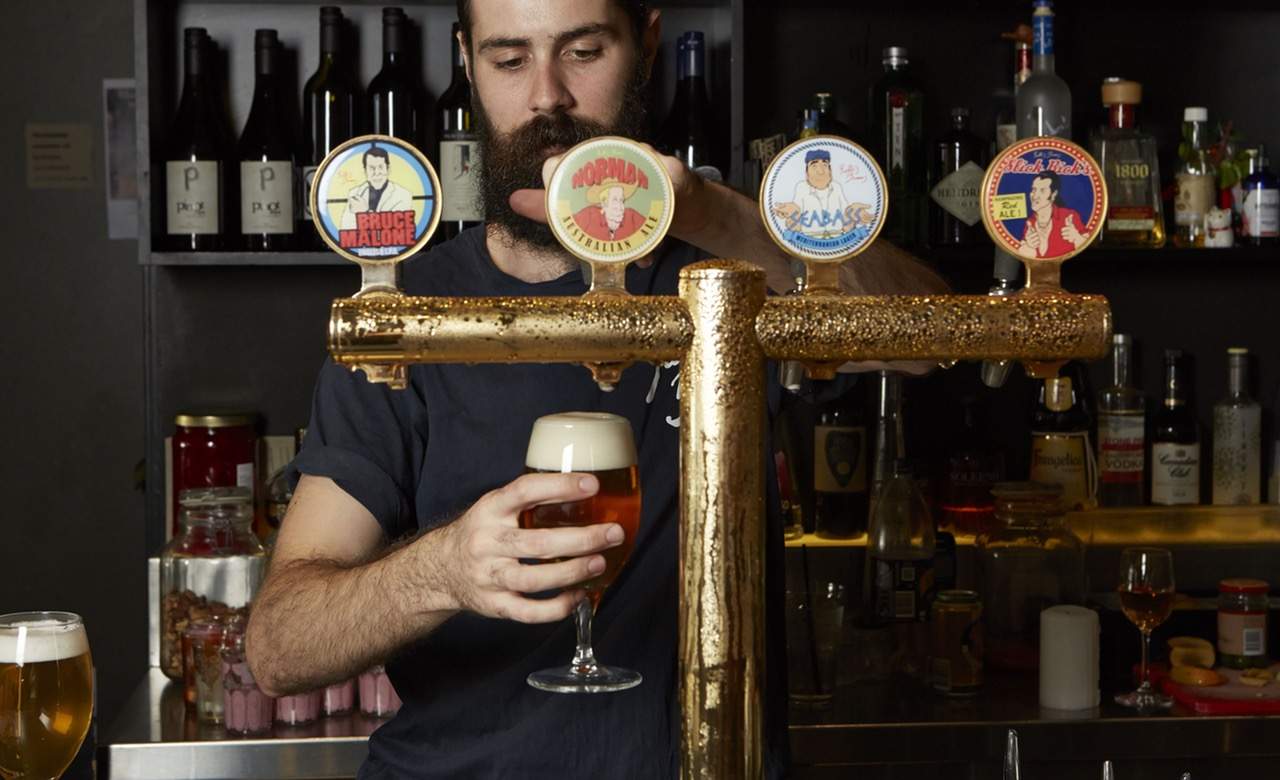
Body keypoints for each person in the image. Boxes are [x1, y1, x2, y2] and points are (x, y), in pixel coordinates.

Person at [245, 1, 948, 777]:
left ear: (645, 45)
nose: (546, 94)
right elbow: (280, 645)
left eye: (582, 51)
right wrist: (443, 569)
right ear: (467, 61)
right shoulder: (408, 316)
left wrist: (707, 212)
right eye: (509, 60)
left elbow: (927, 341)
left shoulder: (725, 275)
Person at [339, 145, 416, 230]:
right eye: (371, 168)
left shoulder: (403, 195)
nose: (376, 172)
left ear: (388, 169)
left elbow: (395, 232)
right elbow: (345, 229)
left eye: (380, 167)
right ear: (365, 171)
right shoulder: (354, 193)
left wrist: (364, 213)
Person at [1016, 170, 1087, 259]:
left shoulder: (1068, 216)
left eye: (1042, 190)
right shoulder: (1029, 223)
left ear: (1053, 194)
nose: (1035, 196)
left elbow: (1088, 245)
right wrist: (1029, 246)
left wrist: (1076, 237)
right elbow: (1024, 255)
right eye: (1034, 189)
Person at [573, 177, 647, 241]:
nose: (620, 207)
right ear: (604, 203)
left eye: (621, 200)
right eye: (615, 200)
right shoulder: (589, 215)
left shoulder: (632, 217)